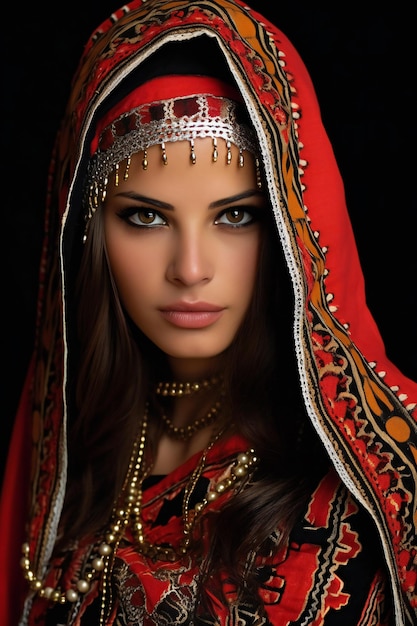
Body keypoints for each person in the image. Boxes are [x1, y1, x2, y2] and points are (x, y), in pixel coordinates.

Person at [1, 0, 416, 624]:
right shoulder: (69, 464)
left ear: (290, 229)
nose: (190, 269)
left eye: (235, 216)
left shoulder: (389, 486)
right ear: (85, 234)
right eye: (145, 217)